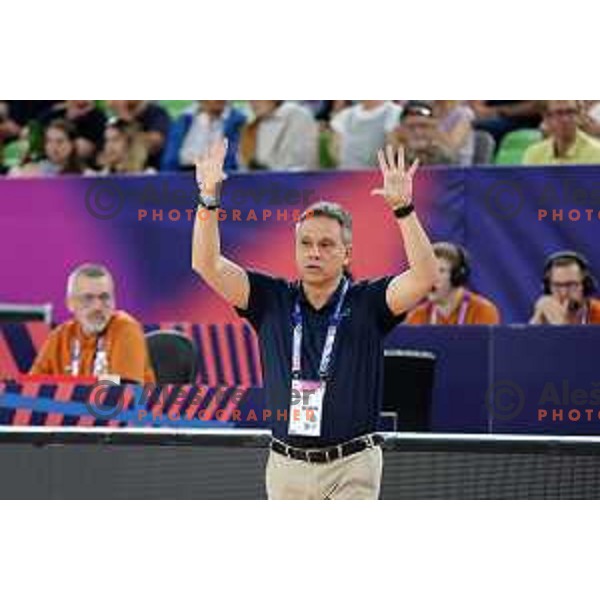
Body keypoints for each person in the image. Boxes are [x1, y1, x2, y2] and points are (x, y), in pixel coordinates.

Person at [192, 139, 436, 499]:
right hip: (286, 466)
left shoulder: (367, 300)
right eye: (305, 244)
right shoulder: (271, 298)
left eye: (326, 244)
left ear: (347, 253)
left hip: (351, 465)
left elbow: (424, 276)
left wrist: (404, 210)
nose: (314, 253)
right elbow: (207, 264)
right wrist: (208, 199)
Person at [30, 264, 155, 383]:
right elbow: (30, 389)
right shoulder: (59, 336)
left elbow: (124, 392)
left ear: (114, 301)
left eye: (104, 297)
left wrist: (66, 387)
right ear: (70, 303)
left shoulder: (126, 329)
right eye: (88, 298)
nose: (97, 307)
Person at [406, 242, 500, 325]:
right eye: (428, 271)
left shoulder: (483, 311)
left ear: (457, 276)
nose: (431, 278)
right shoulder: (416, 317)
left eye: (441, 271)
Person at [161, 101, 246, 172]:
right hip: (183, 175)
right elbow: (169, 160)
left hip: (219, 179)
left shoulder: (237, 122)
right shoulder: (183, 120)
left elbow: (233, 160)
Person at [238, 101, 318, 170]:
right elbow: (243, 167)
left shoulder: (299, 116)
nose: (253, 102)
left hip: (295, 184)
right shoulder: (250, 128)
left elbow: (305, 163)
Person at [530, 251, 600, 325]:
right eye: (557, 285)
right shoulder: (545, 312)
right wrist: (537, 319)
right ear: (548, 288)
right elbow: (526, 336)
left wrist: (561, 323)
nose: (564, 293)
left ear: (585, 285)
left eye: (571, 285)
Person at [522, 100, 600, 165]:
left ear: (580, 116)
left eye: (570, 112)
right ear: (546, 118)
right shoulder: (533, 154)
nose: (565, 119)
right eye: (559, 113)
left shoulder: (597, 152)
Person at [330, 101, 402, 168]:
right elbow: (335, 150)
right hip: (345, 175)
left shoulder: (394, 112)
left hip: (375, 176)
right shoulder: (345, 115)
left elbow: (392, 150)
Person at [40, 101, 106, 167]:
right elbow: (42, 121)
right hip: (54, 161)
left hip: (85, 162)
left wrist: (93, 149)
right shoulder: (58, 112)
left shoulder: (98, 116)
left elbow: (101, 142)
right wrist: (68, 113)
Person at [107, 101, 171, 169]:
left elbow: (155, 142)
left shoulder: (157, 113)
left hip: (152, 170)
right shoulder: (118, 119)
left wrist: (128, 119)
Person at [391, 101, 457, 166]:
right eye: (411, 127)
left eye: (423, 126)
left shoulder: (445, 159)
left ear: (433, 129)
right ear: (400, 131)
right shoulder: (392, 160)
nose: (418, 132)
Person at [10, 119, 83, 176]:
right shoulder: (31, 170)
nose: (53, 146)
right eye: (49, 141)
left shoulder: (87, 175)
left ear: (72, 144)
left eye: (60, 141)